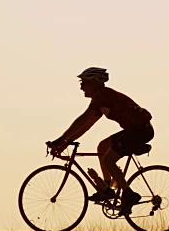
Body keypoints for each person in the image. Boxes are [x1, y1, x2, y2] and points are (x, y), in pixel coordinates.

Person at [48, 67, 154, 216]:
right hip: (135, 130)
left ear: (95, 83)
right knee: (102, 147)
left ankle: (129, 194)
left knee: (108, 160)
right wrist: (66, 141)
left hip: (140, 131)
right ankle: (107, 189)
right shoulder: (100, 99)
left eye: (84, 83)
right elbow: (86, 126)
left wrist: (61, 140)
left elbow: (83, 120)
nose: (81, 87)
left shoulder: (103, 96)